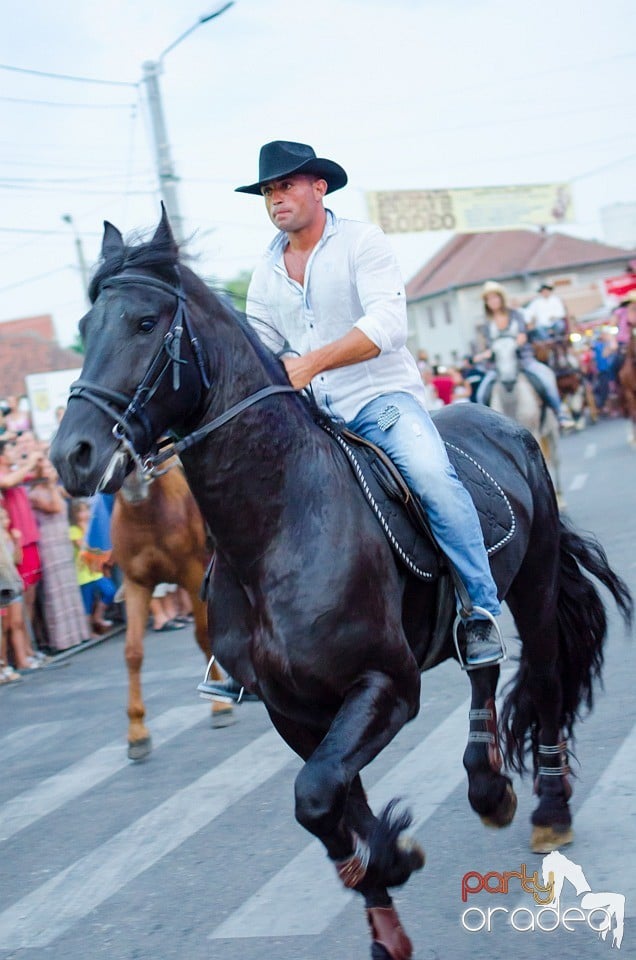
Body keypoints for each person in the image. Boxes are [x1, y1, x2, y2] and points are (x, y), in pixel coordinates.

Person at [205, 139, 506, 698]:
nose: (276, 198)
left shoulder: (362, 242)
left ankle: (479, 611)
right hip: (310, 416)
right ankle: (236, 647)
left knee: (436, 481)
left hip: (381, 401)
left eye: (286, 185)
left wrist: (310, 362)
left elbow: (389, 323)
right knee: (238, 501)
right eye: (268, 191)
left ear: (319, 186)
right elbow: (264, 352)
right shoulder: (266, 273)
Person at [475, 280, 572, 427]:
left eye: (495, 297)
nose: (493, 301)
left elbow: (522, 335)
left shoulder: (515, 315)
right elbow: (488, 345)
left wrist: (513, 344)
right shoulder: (486, 322)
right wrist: (485, 354)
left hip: (522, 359)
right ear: (486, 302)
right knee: (481, 394)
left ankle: (559, 413)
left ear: (501, 298)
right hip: (499, 364)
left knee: (546, 379)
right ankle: (487, 427)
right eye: (489, 299)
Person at [28, 455, 89, 650]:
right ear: (38, 472)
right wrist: (52, 485)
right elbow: (54, 506)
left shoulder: (56, 489)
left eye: (50, 467)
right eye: (45, 468)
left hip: (62, 542)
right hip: (49, 544)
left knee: (69, 587)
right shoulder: (35, 494)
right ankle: (61, 640)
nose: (49, 471)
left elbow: (73, 492)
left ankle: (78, 634)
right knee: (56, 591)